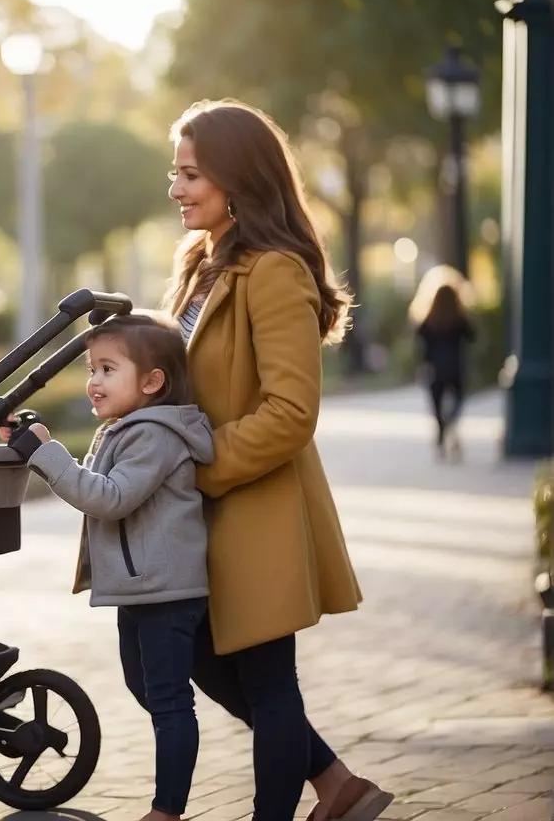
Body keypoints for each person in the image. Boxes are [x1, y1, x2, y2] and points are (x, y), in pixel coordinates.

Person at [163, 99, 392, 821]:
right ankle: (334, 785)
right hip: (199, 512)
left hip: (253, 505)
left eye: (191, 174)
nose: (175, 188)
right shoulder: (200, 262)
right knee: (192, 658)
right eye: (173, 173)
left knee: (264, 678)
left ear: (238, 178)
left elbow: (291, 413)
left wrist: (200, 465)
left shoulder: (274, 272)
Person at [7, 312, 215, 821]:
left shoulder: (156, 436)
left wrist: (50, 456)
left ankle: (167, 810)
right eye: (91, 369)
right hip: (141, 588)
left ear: (151, 381)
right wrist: (32, 443)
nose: (93, 381)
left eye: (107, 369)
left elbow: (111, 498)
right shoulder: (127, 428)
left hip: (165, 591)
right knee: (143, 687)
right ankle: (176, 755)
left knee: (168, 701)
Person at [408, 266, 476, 461]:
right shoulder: (459, 318)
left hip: (435, 369)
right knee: (458, 398)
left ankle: (441, 431)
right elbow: (473, 335)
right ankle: (450, 422)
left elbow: (420, 341)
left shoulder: (428, 319)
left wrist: (423, 363)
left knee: (436, 405)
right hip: (455, 367)